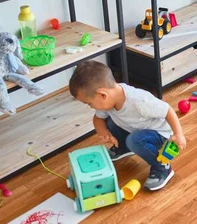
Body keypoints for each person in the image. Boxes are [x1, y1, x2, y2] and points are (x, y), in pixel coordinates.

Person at [69, 61, 186, 191]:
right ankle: (123, 147)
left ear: (102, 95)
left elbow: (168, 110)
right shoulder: (108, 100)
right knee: (109, 121)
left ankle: (162, 167)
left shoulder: (139, 101)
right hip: (135, 129)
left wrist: (178, 134)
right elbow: (98, 119)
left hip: (159, 134)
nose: (90, 107)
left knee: (134, 140)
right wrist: (104, 132)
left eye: (89, 103)